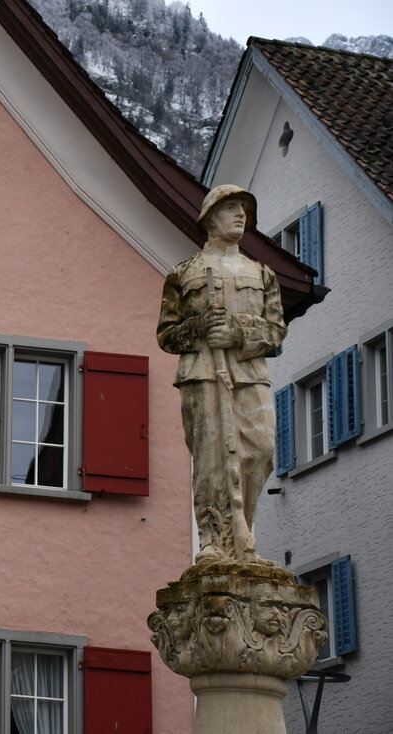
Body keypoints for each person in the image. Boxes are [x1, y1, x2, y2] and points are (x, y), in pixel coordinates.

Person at [157, 185, 286, 564]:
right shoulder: (184, 273)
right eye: (231, 208)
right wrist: (198, 327)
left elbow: (276, 332)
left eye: (243, 209)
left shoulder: (262, 274)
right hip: (203, 374)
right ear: (210, 216)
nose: (240, 215)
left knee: (259, 452)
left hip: (249, 374)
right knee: (212, 456)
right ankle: (214, 540)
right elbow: (167, 334)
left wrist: (238, 332)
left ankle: (243, 536)